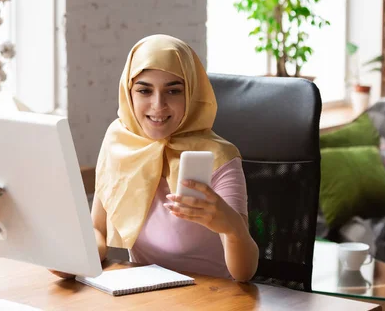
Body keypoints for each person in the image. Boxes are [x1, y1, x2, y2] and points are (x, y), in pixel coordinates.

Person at [51, 34, 258, 281]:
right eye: (144, 90)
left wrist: (232, 228)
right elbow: (98, 230)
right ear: (129, 94)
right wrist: (75, 259)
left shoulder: (219, 158)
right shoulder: (120, 143)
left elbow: (244, 274)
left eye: (173, 91)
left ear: (191, 94)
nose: (158, 105)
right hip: (146, 298)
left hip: (213, 301)